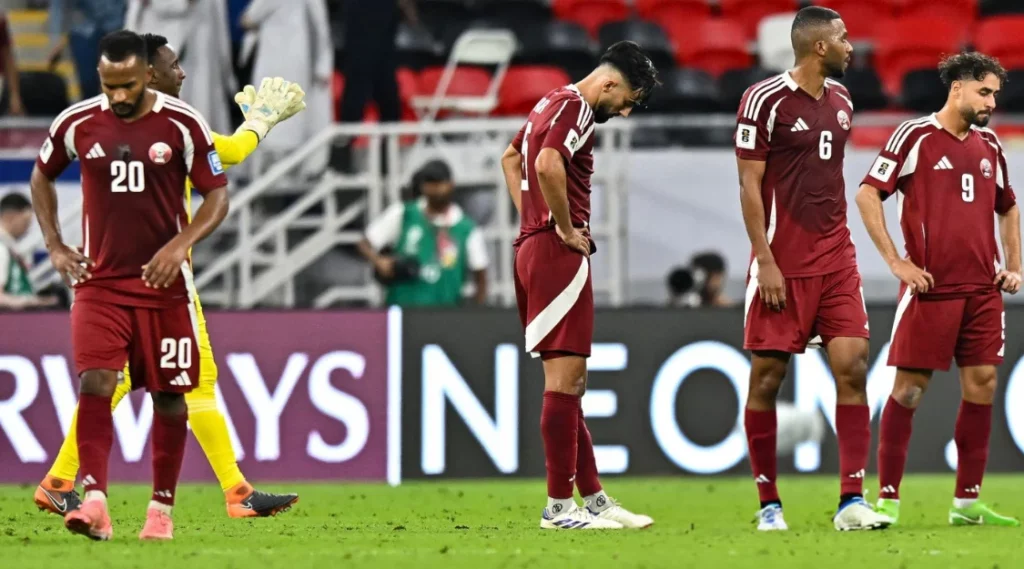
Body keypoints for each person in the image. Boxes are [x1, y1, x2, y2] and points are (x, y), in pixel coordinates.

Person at [33, 33, 305, 522]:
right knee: (177, 382)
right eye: (173, 65)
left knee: (146, 384)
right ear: (148, 74)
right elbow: (233, 153)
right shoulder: (164, 127)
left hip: (144, 275)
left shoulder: (176, 126)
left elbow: (222, 160)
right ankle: (229, 492)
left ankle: (63, 480)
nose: (182, 72)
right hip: (159, 279)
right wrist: (262, 121)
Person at [735, 6, 890, 531]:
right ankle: (768, 505)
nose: (853, 46)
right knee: (767, 378)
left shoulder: (844, 99)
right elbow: (749, 186)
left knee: (853, 366)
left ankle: (851, 501)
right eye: (844, 39)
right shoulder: (763, 99)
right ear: (819, 47)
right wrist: (765, 259)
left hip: (836, 258)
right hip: (782, 260)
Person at [856, 52, 1021, 527]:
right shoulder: (916, 136)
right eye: (984, 92)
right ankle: (887, 498)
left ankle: (966, 504)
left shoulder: (990, 144)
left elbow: (1008, 208)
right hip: (932, 288)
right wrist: (896, 261)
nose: (992, 101)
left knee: (984, 385)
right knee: (907, 392)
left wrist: (1014, 266)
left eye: (994, 94)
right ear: (958, 89)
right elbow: (868, 194)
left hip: (983, 290)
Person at [500, 40, 658, 530]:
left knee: (571, 384)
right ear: (609, 83)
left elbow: (510, 158)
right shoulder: (577, 108)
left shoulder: (549, 100)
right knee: (564, 382)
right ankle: (558, 507)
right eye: (629, 99)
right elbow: (546, 165)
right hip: (555, 251)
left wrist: (532, 219)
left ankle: (592, 498)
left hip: (534, 248)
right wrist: (562, 228)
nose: (627, 112)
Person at [359, 159, 488, 306]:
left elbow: (481, 276)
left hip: (447, 315)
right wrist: (379, 262)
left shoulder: (466, 228)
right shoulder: (403, 214)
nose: (434, 188)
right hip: (403, 311)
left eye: (439, 182)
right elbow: (364, 243)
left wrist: (475, 317)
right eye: (429, 183)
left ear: (451, 184)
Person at [0, 193, 59, 309]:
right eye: (26, 222)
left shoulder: (9, 248)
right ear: (9, 217)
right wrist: (31, 302)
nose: (27, 229)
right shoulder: (1, 248)